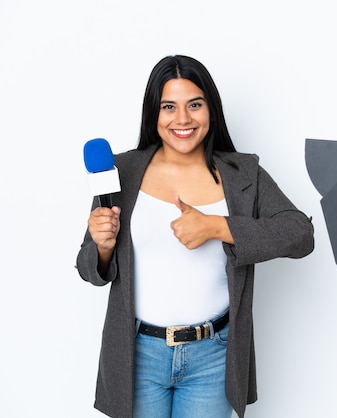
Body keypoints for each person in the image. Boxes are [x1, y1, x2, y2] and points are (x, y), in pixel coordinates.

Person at [76, 55, 315, 418]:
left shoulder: (242, 173)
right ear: (153, 113)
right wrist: (103, 247)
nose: (183, 119)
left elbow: (300, 234)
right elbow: (88, 268)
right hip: (138, 354)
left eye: (195, 105)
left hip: (213, 356)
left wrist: (218, 227)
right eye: (169, 106)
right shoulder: (120, 172)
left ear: (211, 110)